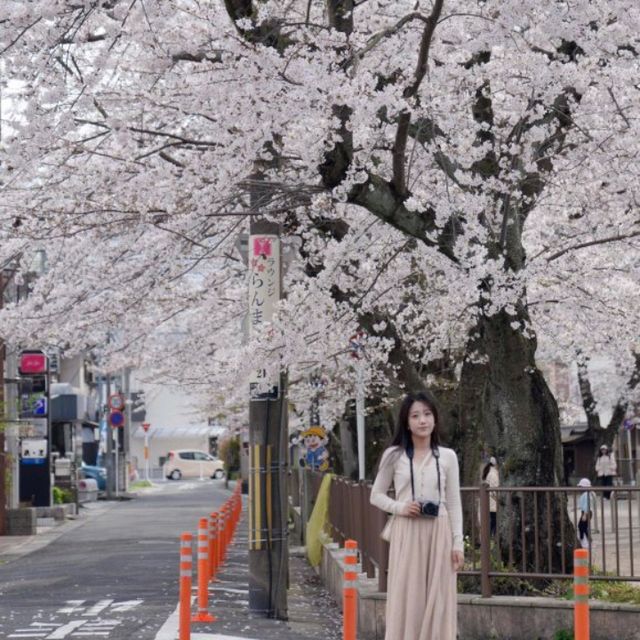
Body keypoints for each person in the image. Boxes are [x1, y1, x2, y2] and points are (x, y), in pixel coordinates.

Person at [370, 391, 463, 640]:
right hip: (407, 531)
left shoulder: (447, 457)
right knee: (407, 595)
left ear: (435, 418)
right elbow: (375, 495)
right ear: (406, 422)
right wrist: (401, 507)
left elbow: (454, 502)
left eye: (427, 414)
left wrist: (458, 542)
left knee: (440, 595)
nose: (423, 420)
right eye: (415, 416)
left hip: (439, 530)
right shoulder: (394, 455)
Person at [481, 456, 499, 537]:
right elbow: (494, 489)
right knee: (494, 521)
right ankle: (491, 538)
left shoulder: (489, 473)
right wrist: (498, 499)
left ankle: (489, 538)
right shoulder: (493, 474)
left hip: (490, 501)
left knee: (492, 521)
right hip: (494, 501)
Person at [577, 478, 596, 548]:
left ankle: (586, 541)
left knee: (582, 527)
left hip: (586, 512)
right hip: (585, 512)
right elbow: (582, 504)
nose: (579, 488)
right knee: (582, 526)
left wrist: (584, 514)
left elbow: (586, 505)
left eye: (581, 487)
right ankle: (583, 540)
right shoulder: (585, 494)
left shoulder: (586, 494)